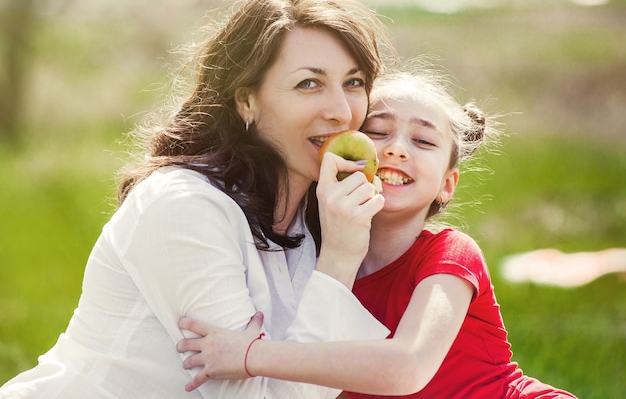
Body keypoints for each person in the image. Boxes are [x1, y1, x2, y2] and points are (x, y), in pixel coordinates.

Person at [0, 0, 394, 398]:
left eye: (354, 82)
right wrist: (339, 258)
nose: (342, 111)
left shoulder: (322, 217)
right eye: (309, 84)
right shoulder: (184, 208)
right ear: (246, 101)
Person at [175, 68, 578, 398]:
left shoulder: (449, 254)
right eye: (377, 132)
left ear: (447, 185)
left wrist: (249, 356)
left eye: (422, 141)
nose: (396, 149)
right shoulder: (314, 263)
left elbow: (407, 366)